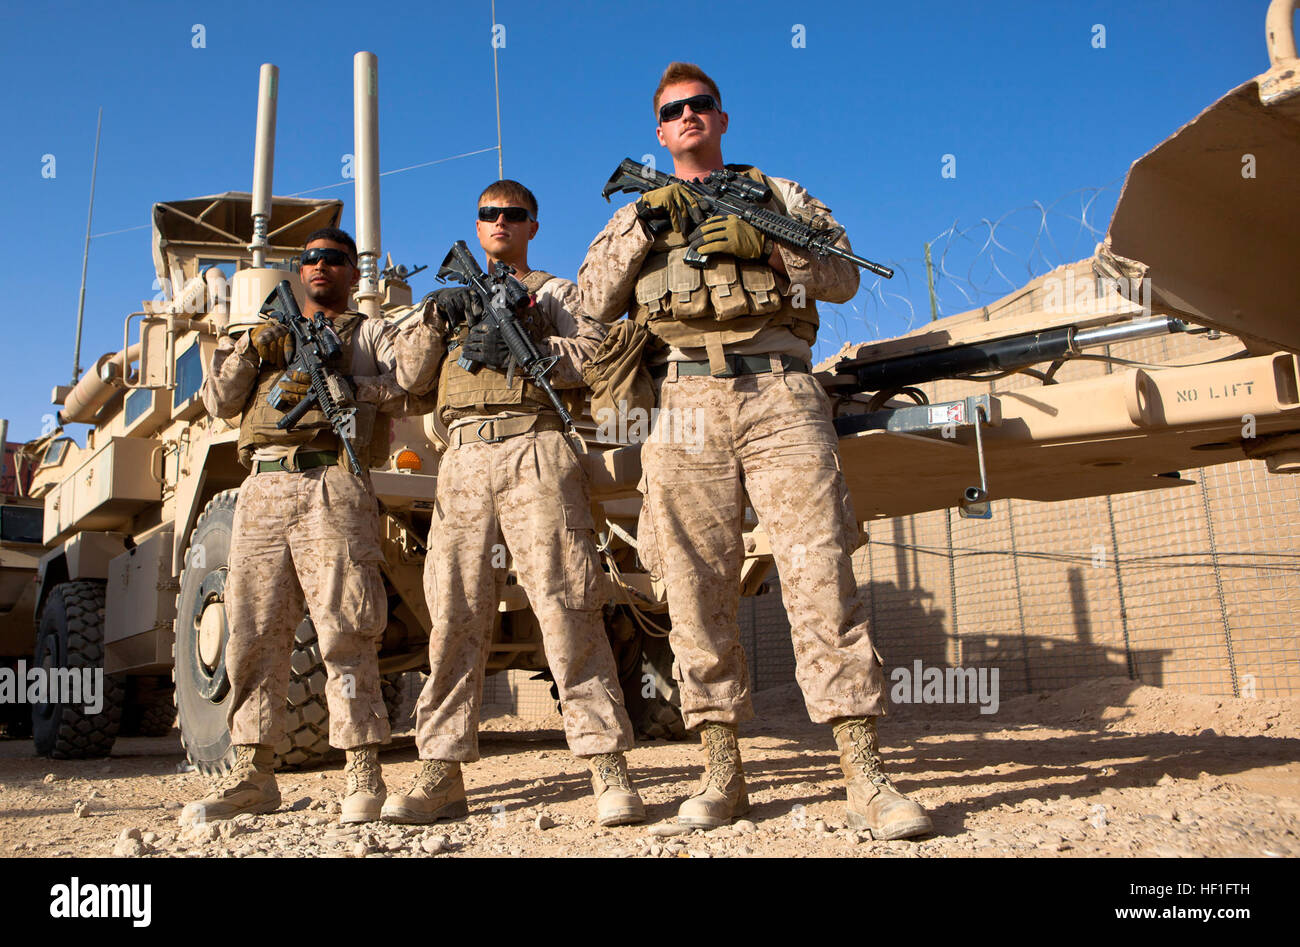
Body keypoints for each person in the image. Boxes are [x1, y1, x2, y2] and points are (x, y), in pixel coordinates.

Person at [576, 63, 932, 838]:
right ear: (661, 131)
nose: (689, 116)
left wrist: (769, 250)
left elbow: (841, 277)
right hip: (685, 400)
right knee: (694, 587)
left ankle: (865, 775)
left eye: (701, 104)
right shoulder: (643, 207)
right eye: (674, 111)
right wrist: (647, 223)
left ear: (723, 118)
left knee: (817, 571)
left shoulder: (781, 194)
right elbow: (589, 304)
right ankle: (721, 774)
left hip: (780, 391)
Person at [384, 180, 644, 827]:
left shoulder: (551, 292)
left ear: (533, 224)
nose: (501, 222)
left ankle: (606, 763)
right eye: (490, 214)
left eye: (514, 214)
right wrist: (432, 320)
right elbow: (405, 378)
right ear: (477, 226)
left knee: (568, 602)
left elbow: (594, 353)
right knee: (454, 612)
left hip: (537, 446)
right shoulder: (446, 302)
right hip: (464, 457)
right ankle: (441, 770)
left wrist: (533, 356)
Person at [186, 227, 434, 825]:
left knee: (348, 627)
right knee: (252, 631)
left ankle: (362, 770)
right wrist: (251, 349)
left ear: (354, 273)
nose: (322, 265)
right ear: (299, 270)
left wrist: (352, 388)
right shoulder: (262, 335)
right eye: (312, 258)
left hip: (333, 480)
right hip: (263, 485)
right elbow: (218, 402)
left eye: (336, 259)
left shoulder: (369, 332)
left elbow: (415, 386)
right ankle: (252, 772)